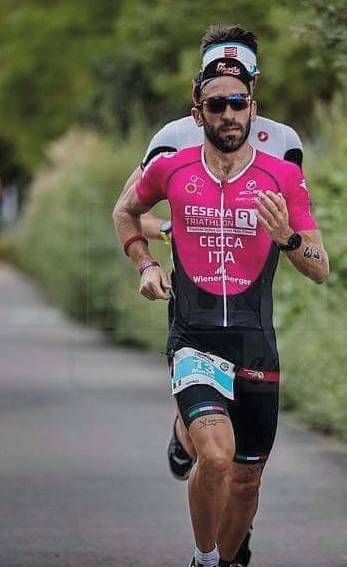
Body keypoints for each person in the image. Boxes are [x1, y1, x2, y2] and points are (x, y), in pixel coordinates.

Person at [113, 36, 329, 567]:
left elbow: (317, 261)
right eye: (217, 101)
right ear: (198, 101)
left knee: (245, 479)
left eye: (239, 99)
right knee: (216, 454)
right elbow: (129, 209)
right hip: (194, 329)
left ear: (254, 97)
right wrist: (153, 255)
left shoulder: (283, 151)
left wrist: (286, 238)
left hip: (255, 338)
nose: (228, 111)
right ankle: (204, 551)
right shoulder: (172, 145)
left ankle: (230, 547)